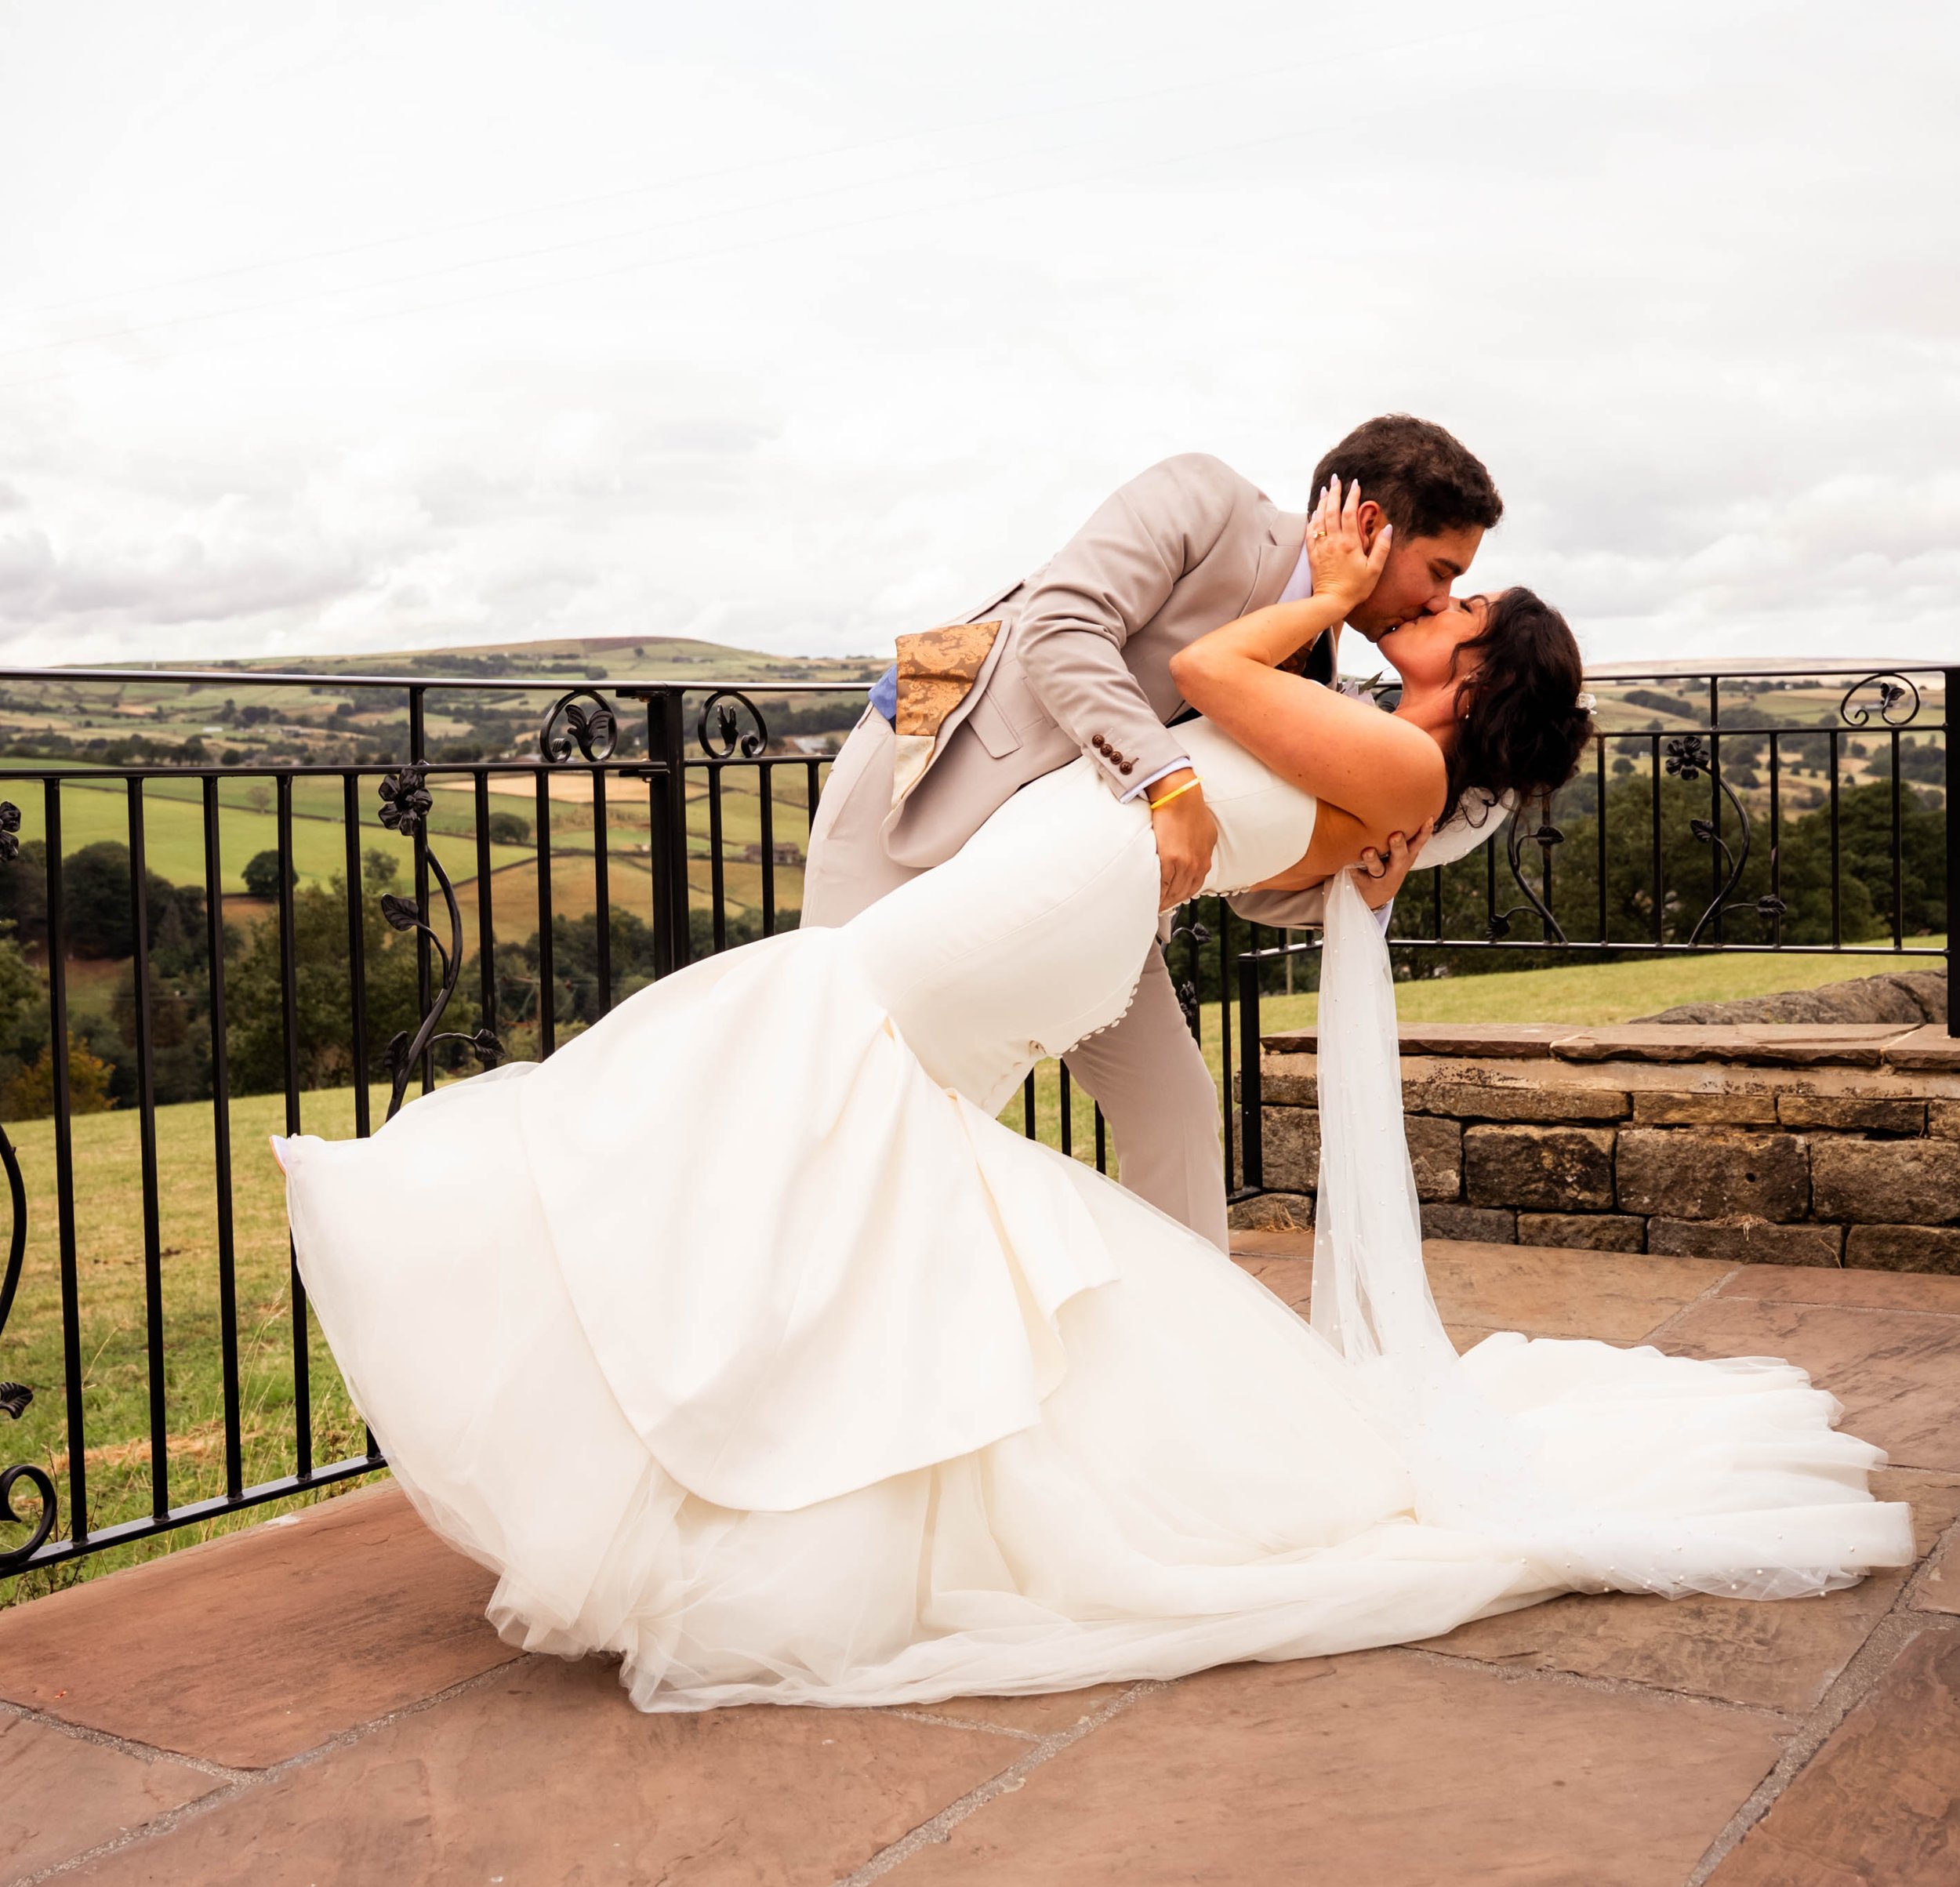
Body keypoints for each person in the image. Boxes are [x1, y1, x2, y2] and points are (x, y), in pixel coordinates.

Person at [274, 478, 1911, 1715]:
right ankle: (764, 1421)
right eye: (1437, 587)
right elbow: (1202, 726)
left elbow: (1202, 668)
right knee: (848, 1096)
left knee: (825, 1047)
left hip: (1067, 894)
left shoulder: (1399, 768)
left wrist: (1307, 600)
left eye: (1451, 619)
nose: (1422, 615)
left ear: (1474, 684)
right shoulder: (1373, 749)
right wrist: (1298, 647)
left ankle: (752, 1421)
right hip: (1068, 874)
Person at [804, 416, 1510, 1253]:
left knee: (1176, 1117)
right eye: (1440, 573)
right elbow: (1057, 628)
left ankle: (1188, 1368)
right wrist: (1166, 781)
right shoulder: (1204, 500)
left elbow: (1243, 877)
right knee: (842, 1067)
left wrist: (1359, 894)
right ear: (1369, 528)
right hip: (928, 785)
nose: (1437, 602)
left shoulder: (1317, 670)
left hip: (1093, 893)